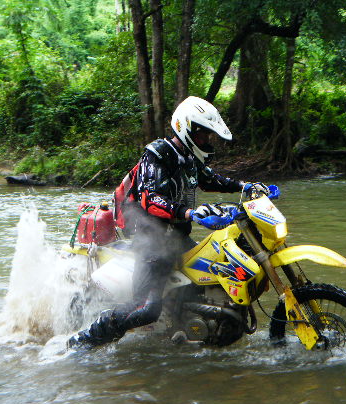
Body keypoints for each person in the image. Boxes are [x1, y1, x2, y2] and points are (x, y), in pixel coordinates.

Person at [67, 96, 272, 349]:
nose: (206, 140)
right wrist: (191, 213)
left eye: (208, 136)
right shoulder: (157, 154)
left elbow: (211, 179)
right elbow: (151, 199)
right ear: (187, 129)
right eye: (203, 135)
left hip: (175, 237)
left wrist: (245, 186)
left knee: (207, 277)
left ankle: (192, 330)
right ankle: (83, 341)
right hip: (152, 239)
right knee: (146, 308)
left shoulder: (190, 158)